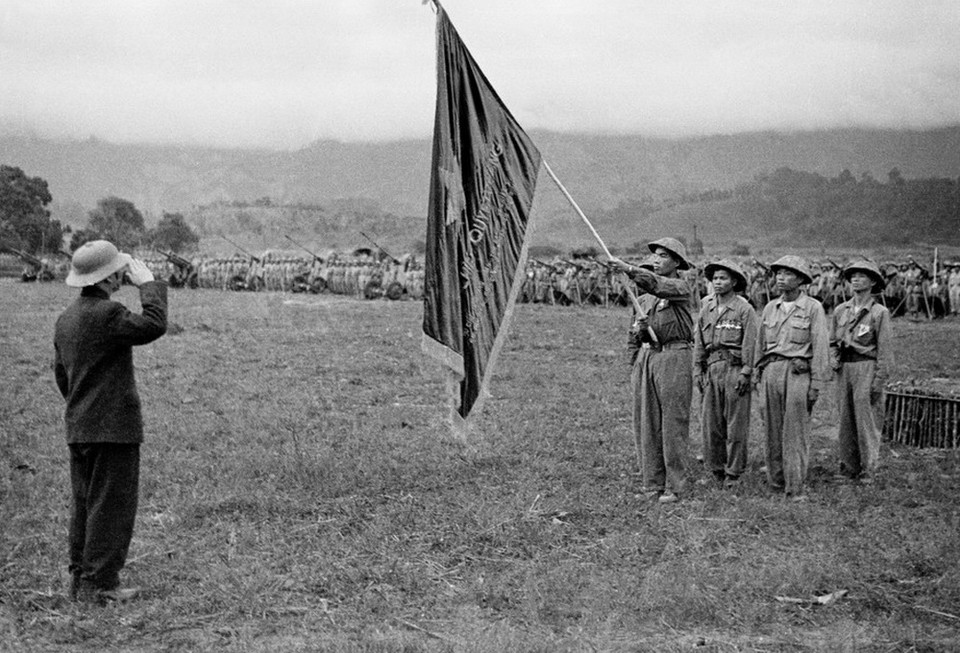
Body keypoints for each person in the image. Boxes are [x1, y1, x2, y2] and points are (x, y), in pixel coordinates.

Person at [53, 240, 168, 603]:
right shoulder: (108, 314)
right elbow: (153, 325)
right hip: (113, 429)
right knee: (112, 505)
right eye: (120, 269)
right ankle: (99, 585)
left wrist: (83, 404)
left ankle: (80, 579)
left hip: (80, 426)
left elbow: (61, 376)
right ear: (109, 278)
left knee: (85, 503)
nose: (123, 273)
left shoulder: (65, 319)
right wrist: (148, 284)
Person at [611, 238, 696, 504]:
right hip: (649, 357)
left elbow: (659, 285)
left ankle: (676, 486)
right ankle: (652, 483)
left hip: (674, 356)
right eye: (655, 257)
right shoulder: (644, 301)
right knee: (647, 422)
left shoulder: (681, 287)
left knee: (673, 423)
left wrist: (628, 269)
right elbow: (633, 336)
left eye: (662, 256)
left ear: (676, 263)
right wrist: (640, 330)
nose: (657, 260)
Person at [753, 255, 829, 501]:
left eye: (787, 274)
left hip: (797, 372)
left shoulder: (813, 308)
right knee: (772, 429)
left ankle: (794, 486)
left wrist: (816, 383)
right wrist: (756, 373)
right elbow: (760, 344)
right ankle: (776, 481)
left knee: (794, 431)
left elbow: (820, 347)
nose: (780, 278)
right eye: (778, 274)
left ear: (801, 280)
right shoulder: (769, 307)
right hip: (771, 370)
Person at [694, 259, 758, 487]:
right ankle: (716, 468)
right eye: (715, 279)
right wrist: (697, 369)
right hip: (712, 369)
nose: (718, 283)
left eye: (723, 278)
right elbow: (699, 342)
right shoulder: (706, 309)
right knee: (711, 424)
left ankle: (734, 472)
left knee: (736, 424)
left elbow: (751, 343)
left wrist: (747, 371)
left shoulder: (744, 309)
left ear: (734, 282)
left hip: (735, 370)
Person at [830, 259, 893, 484]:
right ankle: (848, 466)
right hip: (844, 368)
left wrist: (878, 381)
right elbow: (832, 342)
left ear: (873, 281)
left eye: (862, 276)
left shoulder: (879, 313)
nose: (855, 279)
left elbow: (885, 351)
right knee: (845, 418)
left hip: (866, 365)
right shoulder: (840, 310)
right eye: (852, 276)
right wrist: (834, 359)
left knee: (866, 419)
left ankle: (868, 468)